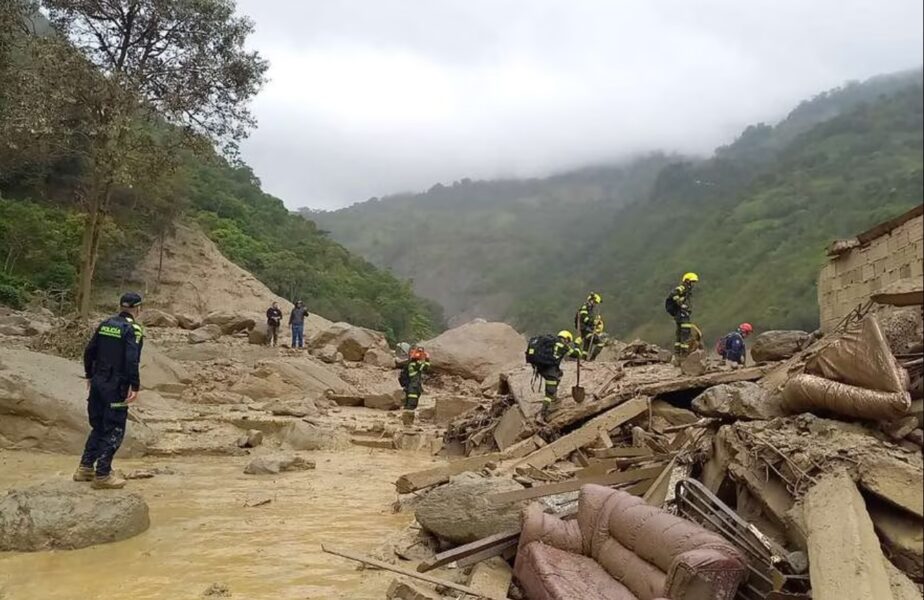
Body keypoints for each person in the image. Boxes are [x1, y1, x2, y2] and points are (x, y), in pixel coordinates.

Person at [73, 292, 145, 489]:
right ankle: (103, 474)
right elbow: (132, 360)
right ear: (138, 309)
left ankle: (85, 467)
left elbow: (89, 350)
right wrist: (135, 386)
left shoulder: (106, 324)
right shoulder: (134, 329)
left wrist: (89, 375)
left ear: (121, 307)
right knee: (114, 428)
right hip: (116, 386)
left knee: (98, 426)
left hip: (97, 383)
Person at [526, 330, 584, 420]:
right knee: (550, 391)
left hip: (541, 367)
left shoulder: (551, 342)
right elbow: (576, 354)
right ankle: (543, 412)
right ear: (566, 339)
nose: (568, 343)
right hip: (549, 369)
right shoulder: (562, 346)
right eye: (568, 341)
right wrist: (577, 344)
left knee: (559, 374)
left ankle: (554, 396)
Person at [665, 272, 698, 360]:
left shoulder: (687, 290)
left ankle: (678, 354)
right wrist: (681, 304)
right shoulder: (682, 288)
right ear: (687, 281)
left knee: (679, 334)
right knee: (685, 334)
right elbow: (674, 294)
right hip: (682, 314)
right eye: (692, 282)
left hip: (680, 314)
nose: (693, 284)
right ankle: (684, 355)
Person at [400, 346, 430, 425]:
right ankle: (408, 425)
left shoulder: (410, 363)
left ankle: (407, 423)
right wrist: (427, 358)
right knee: (411, 405)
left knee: (410, 405)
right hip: (413, 388)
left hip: (412, 387)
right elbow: (425, 367)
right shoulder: (414, 364)